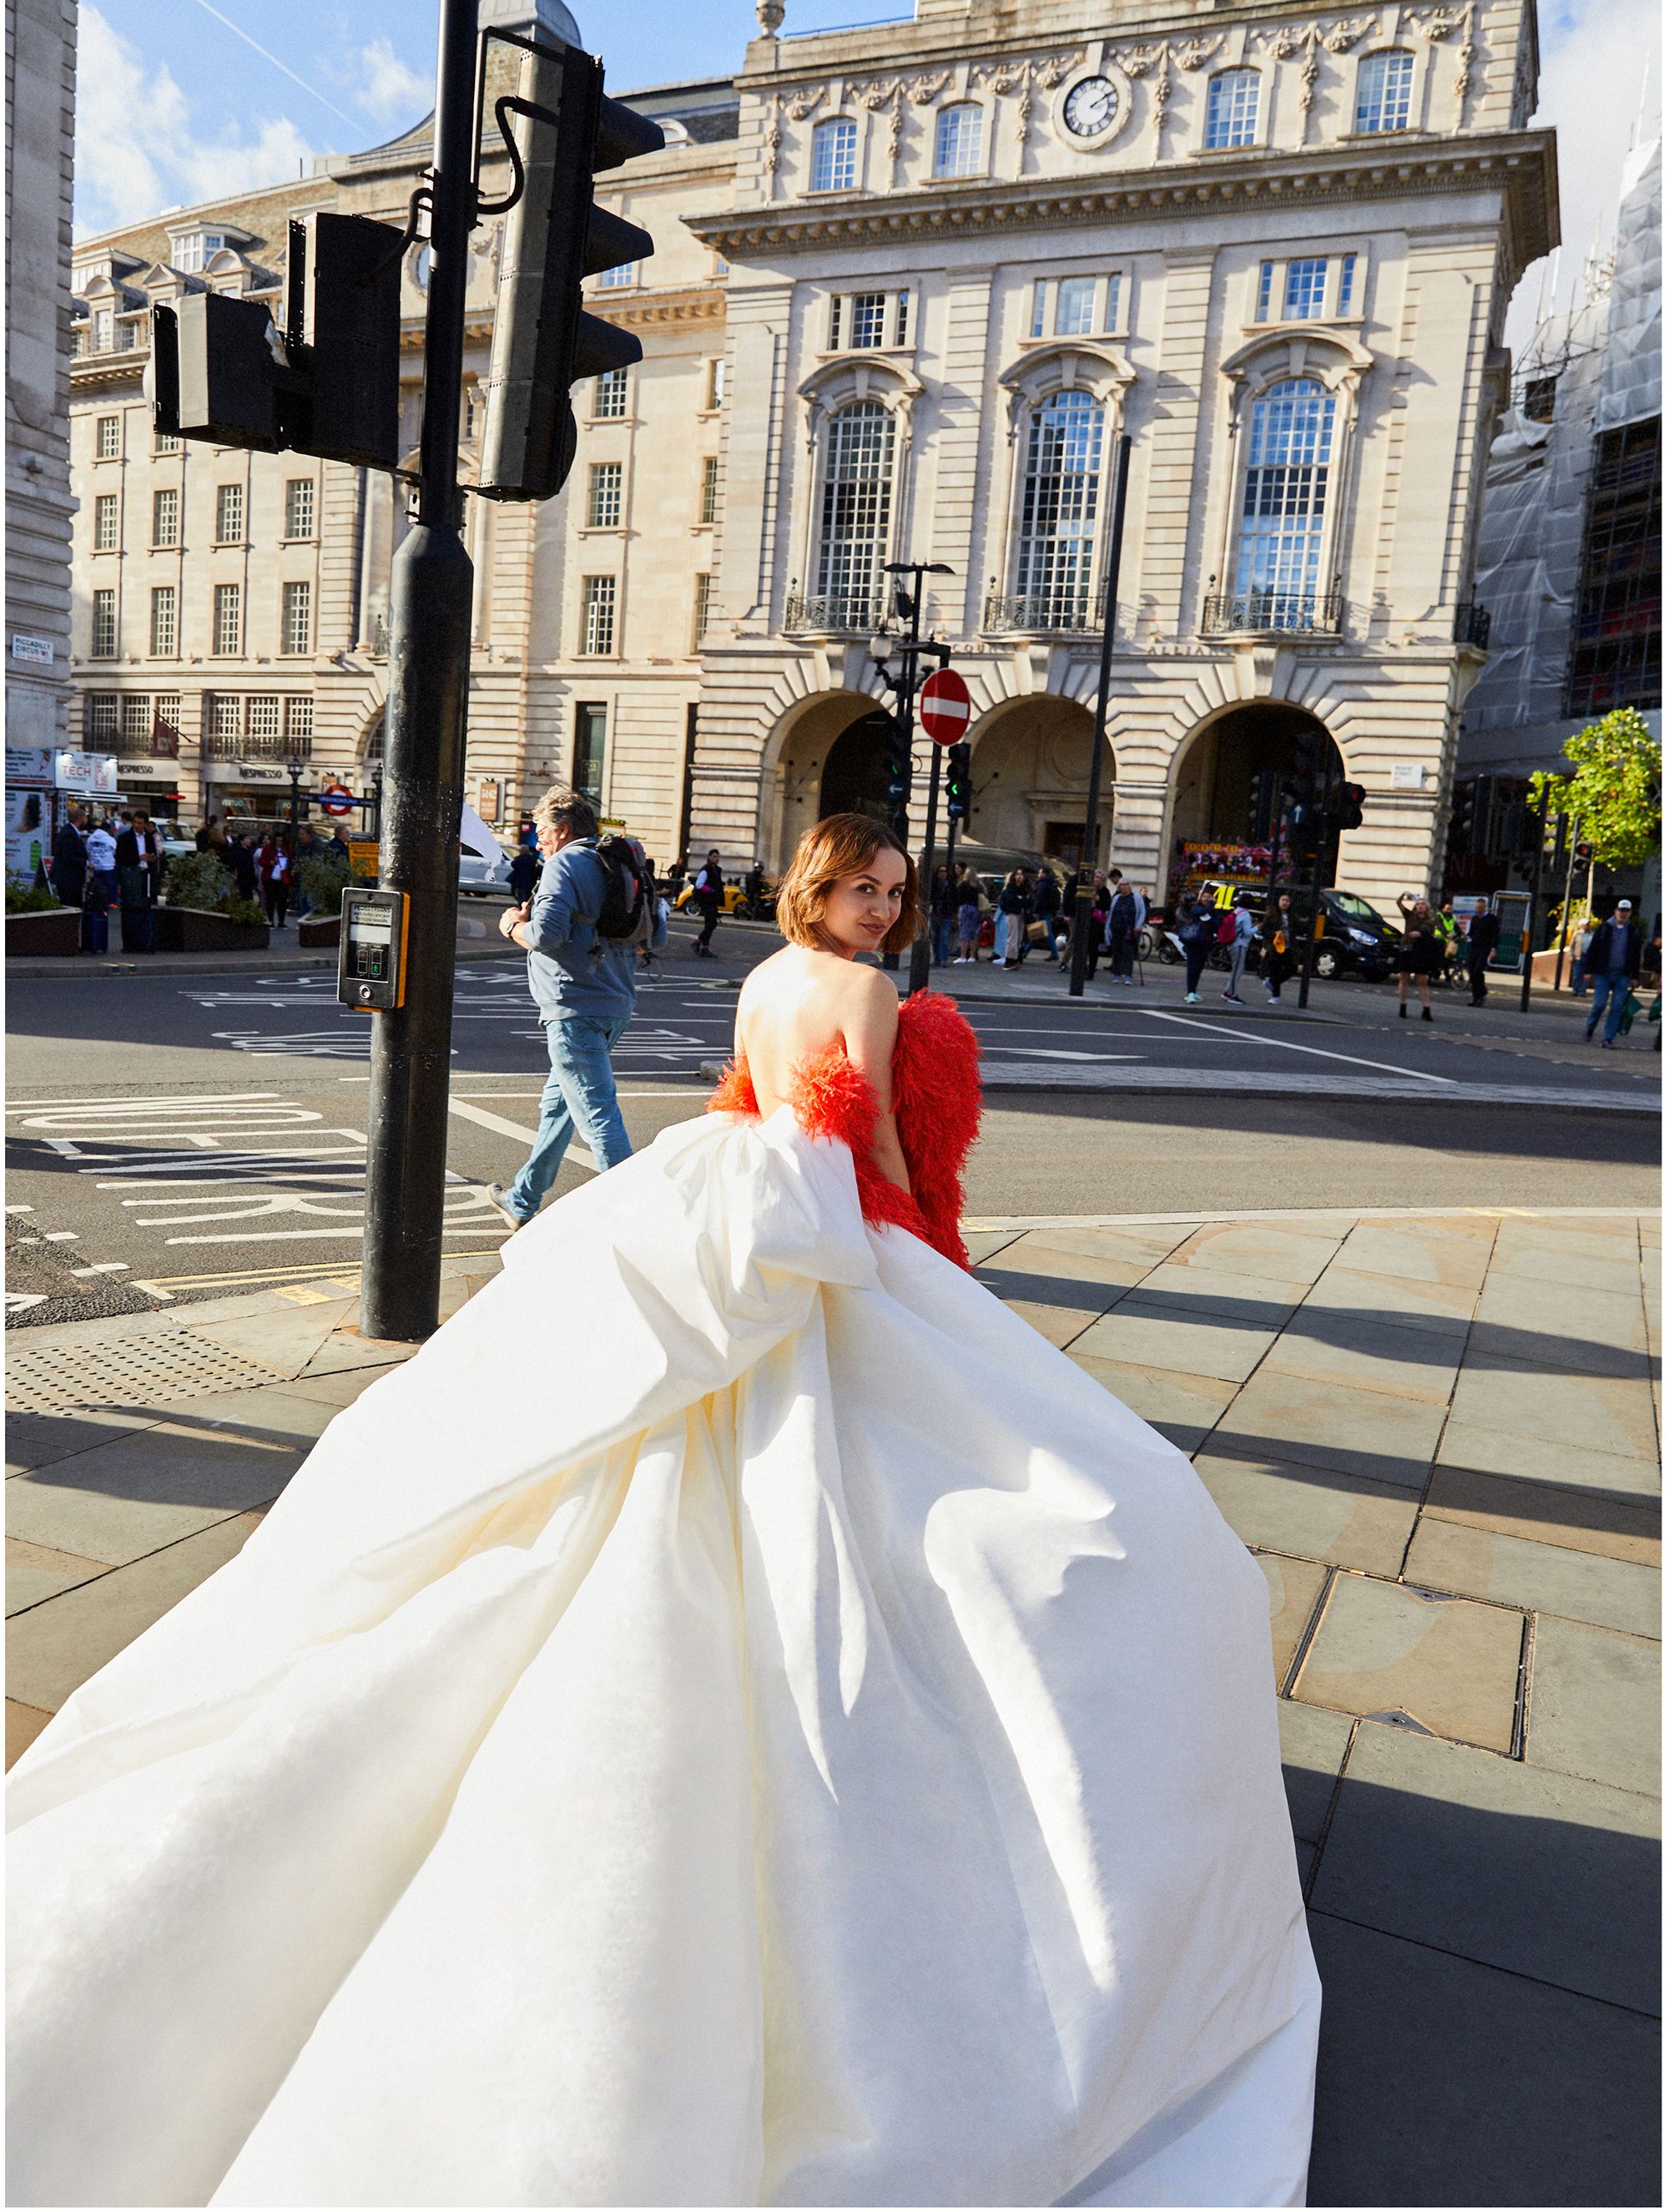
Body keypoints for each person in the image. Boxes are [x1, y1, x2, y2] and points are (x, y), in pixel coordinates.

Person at [6, 806, 1319, 2211]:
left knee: (672, 1443)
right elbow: (872, 1139)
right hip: (829, 1222)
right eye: (861, 888)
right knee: (1000, 1485)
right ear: (819, 887)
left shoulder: (764, 979)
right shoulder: (872, 992)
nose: (880, 911)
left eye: (893, 892)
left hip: (730, 1199)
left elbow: (744, 1104)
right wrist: (933, 1247)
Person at [485, 787, 667, 1230]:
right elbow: (656, 936)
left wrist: (512, 925)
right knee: (560, 1107)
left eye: (541, 832)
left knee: (597, 1113)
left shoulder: (565, 863)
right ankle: (522, 1200)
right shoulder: (621, 860)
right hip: (615, 999)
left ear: (562, 831)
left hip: (573, 1003)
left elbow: (546, 936)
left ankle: (636, 1221)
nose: (537, 841)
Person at [1583, 897, 1644, 1048]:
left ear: (1630, 913)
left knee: (1617, 1007)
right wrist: (1588, 971)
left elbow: (1636, 955)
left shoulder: (1633, 932)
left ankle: (1608, 1037)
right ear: (1616, 911)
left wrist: (1635, 977)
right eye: (1621, 911)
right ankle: (1590, 1026)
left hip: (1622, 974)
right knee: (1599, 1004)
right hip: (1603, 973)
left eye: (1626, 911)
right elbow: (1593, 950)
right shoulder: (1605, 928)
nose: (1623, 914)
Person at [113, 810, 160, 953]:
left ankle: (146, 941)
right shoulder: (125, 838)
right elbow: (120, 857)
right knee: (131, 907)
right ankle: (131, 943)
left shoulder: (149, 838)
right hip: (132, 875)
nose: (136, 825)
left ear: (145, 824)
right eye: (135, 822)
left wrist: (152, 858)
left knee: (147, 907)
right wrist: (139, 857)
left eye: (140, 823)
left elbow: (153, 854)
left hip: (146, 874)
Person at [1395, 892, 1442, 1021]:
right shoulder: (1410, 916)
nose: (1421, 906)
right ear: (1415, 907)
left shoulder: (1430, 921)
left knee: (1422, 980)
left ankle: (1426, 1009)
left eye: (1423, 904)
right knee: (1404, 978)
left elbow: (1431, 937)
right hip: (1407, 949)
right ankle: (1403, 1005)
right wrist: (1404, 894)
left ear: (1426, 907)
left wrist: (1420, 934)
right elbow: (1398, 903)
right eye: (1418, 904)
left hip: (1421, 952)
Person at [82, 816, 118, 954]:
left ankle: (95, 902)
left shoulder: (91, 838)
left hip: (95, 868)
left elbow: (89, 852)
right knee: (108, 888)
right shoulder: (110, 839)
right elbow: (115, 851)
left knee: (95, 889)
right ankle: (110, 902)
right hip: (108, 867)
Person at [1180, 895, 1217, 1004]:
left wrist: (1211, 920)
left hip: (1205, 942)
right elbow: (1200, 912)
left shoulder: (1212, 911)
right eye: (1204, 897)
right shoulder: (1196, 908)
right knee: (1192, 967)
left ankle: (1194, 991)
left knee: (1199, 967)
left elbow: (1216, 923)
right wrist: (1211, 904)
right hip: (1193, 941)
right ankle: (1190, 992)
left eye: (1208, 897)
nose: (1206, 899)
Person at [48, 805, 86, 910]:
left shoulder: (70, 831)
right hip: (68, 879)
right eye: (85, 817)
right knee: (70, 905)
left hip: (70, 879)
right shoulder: (68, 833)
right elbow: (68, 856)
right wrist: (86, 863)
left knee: (73, 904)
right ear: (80, 819)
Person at [1260, 890, 1296, 1001]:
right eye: (1283, 900)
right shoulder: (1272, 914)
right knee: (1275, 970)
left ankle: (1271, 983)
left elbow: (1297, 928)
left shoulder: (1292, 916)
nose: (1285, 903)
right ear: (1278, 901)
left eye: (1287, 901)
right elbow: (1264, 930)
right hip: (1275, 947)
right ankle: (1275, 996)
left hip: (1288, 946)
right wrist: (1273, 934)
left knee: (1291, 968)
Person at [1223, 895, 1258, 1003]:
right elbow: (1247, 932)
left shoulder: (1236, 911)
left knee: (1236, 968)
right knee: (1238, 970)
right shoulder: (1246, 914)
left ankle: (1228, 992)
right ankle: (1232, 995)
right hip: (1240, 944)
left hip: (1232, 943)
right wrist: (1257, 927)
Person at [1465, 903, 1501, 1006]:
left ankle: (1481, 994)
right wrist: (1467, 938)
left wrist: (1493, 949)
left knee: (1478, 971)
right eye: (1476, 908)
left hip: (1485, 948)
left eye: (1479, 908)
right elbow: (1471, 933)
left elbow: (1495, 935)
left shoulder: (1491, 919)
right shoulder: (1475, 918)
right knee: (1471, 970)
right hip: (1475, 947)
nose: (1477, 910)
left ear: (1484, 908)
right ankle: (1476, 995)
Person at [691, 847, 724, 957]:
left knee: (711, 924)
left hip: (712, 901)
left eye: (718, 857)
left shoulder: (717, 870)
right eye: (714, 857)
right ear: (709, 857)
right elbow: (699, 885)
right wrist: (710, 890)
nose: (717, 859)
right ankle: (697, 942)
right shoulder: (706, 869)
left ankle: (704, 947)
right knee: (711, 924)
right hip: (706, 901)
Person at [1106, 876, 1139, 982]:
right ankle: (1117, 974)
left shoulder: (1135, 898)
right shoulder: (1116, 898)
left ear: (1129, 886)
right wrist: (1108, 927)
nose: (1123, 887)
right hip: (1116, 928)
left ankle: (1128, 975)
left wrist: (1138, 926)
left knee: (1128, 953)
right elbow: (1111, 912)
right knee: (1117, 952)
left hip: (1129, 930)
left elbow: (1142, 912)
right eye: (1121, 885)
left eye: (1125, 885)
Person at [995, 867, 1029, 967]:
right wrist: (1021, 900)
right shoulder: (1010, 887)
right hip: (1012, 913)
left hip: (1021, 914)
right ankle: (1010, 959)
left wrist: (1021, 900)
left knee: (1019, 937)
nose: (1019, 877)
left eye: (1021, 874)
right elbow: (1011, 900)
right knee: (1013, 936)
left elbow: (1028, 901)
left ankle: (1016, 957)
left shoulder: (1025, 889)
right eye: (1017, 874)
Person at [260, 837, 292, 931]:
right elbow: (261, 861)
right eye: (278, 840)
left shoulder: (288, 849)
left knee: (282, 901)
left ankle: (281, 921)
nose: (279, 843)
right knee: (270, 901)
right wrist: (270, 863)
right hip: (270, 878)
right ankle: (271, 921)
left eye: (281, 841)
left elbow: (291, 860)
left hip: (283, 879)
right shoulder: (268, 849)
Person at [1029, 865, 1061, 962]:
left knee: (1046, 933)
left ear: (1043, 874)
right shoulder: (1051, 884)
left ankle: (1055, 953)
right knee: (1038, 932)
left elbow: (1039, 898)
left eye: (1040, 872)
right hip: (1047, 910)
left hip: (1043, 910)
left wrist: (1035, 910)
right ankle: (1025, 950)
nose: (1038, 874)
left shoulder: (1042, 884)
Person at [952, 863, 982, 962]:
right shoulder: (978, 885)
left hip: (964, 908)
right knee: (974, 933)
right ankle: (972, 956)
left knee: (964, 931)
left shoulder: (963, 884)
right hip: (975, 909)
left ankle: (963, 956)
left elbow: (957, 897)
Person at [507, 836, 542, 907]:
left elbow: (513, 864)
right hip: (530, 882)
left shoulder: (520, 860)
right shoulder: (532, 859)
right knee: (527, 899)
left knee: (521, 899)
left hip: (521, 883)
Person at [227, 831, 259, 903]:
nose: (249, 841)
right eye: (247, 839)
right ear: (242, 841)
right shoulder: (238, 851)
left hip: (249, 877)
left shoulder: (248, 851)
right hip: (242, 876)